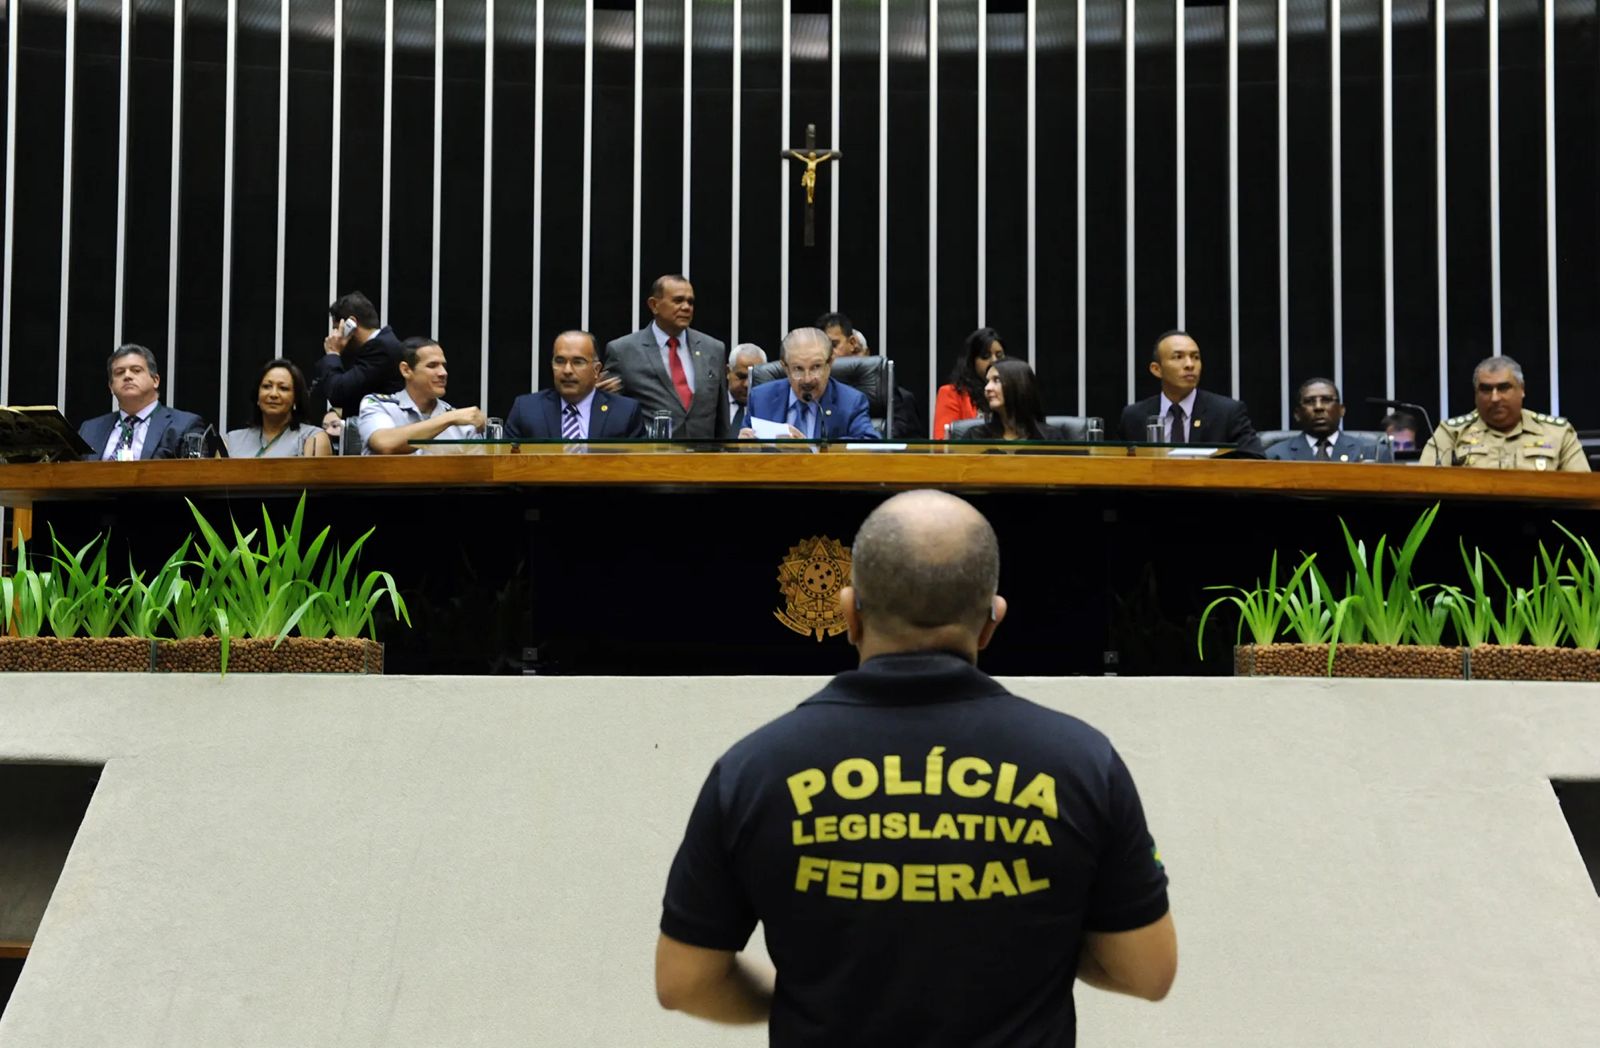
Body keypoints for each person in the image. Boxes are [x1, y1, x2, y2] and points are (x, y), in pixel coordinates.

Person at [656, 490, 1176, 1044]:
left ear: (849, 613)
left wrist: (790, 997)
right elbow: (1147, 971)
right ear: (991, 621)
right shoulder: (1083, 764)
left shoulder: (753, 770)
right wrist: (1047, 936)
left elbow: (684, 980)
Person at [600, 275, 731, 439]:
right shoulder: (623, 351)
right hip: (651, 459)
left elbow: (722, 416)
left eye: (690, 302)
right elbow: (611, 411)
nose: (686, 307)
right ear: (654, 305)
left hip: (704, 459)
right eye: (678, 301)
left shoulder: (713, 349)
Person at [1421, 354, 1589, 471]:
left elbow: (1583, 489)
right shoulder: (1451, 433)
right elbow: (1424, 485)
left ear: (1521, 390)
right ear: (1475, 394)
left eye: (1503, 388)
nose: (1494, 398)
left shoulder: (1557, 433)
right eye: (1486, 390)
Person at [1119, 330, 1265, 457]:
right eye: (1178, 357)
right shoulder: (1134, 416)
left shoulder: (1227, 412)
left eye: (1195, 357)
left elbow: (1255, 460)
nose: (1190, 364)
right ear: (1157, 369)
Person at [739, 327, 878, 441]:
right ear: (785, 367)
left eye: (816, 367)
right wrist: (742, 448)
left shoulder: (851, 401)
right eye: (798, 369)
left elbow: (870, 445)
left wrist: (817, 449)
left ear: (830, 363)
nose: (807, 379)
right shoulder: (760, 399)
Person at [78, 344, 211, 461]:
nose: (127, 376)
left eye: (136, 370)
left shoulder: (184, 425)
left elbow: (195, 477)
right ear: (111, 387)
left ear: (155, 380)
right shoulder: (90, 430)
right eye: (119, 372)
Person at [504, 331, 646, 440]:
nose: (567, 370)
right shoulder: (526, 409)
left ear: (596, 370)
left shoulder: (625, 412)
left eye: (578, 362)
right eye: (559, 361)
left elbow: (639, 469)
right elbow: (506, 466)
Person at [359, 337, 485, 455]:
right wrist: (448, 419)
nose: (443, 373)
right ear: (406, 370)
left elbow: (481, 472)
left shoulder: (462, 423)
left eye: (444, 366)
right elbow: (385, 443)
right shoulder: (379, 406)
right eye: (432, 365)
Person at [816, 311, 926, 439]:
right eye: (823, 347)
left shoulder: (891, 397)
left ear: (852, 343)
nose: (828, 353)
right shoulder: (815, 389)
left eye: (834, 345)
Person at [310, 291, 406, 433]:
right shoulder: (371, 349)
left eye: (337, 328)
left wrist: (332, 353)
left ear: (351, 324)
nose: (334, 335)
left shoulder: (380, 349)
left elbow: (338, 393)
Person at [224, 359, 334, 459]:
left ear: (296, 399)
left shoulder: (313, 438)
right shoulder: (231, 441)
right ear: (257, 396)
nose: (273, 394)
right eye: (267, 386)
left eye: (283, 388)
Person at [1265, 379, 1371, 462]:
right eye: (1310, 401)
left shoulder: (1368, 452)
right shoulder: (1275, 456)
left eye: (1326, 400)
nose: (1318, 407)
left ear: (1341, 410)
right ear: (1297, 414)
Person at [961, 358, 1064, 441]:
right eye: (987, 381)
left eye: (997, 380)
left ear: (1018, 386)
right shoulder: (974, 436)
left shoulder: (1050, 438)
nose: (987, 388)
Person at [934, 328, 1005, 438]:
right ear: (972, 361)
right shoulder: (951, 393)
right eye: (985, 356)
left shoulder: (1012, 392)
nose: (994, 361)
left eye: (999, 355)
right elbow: (942, 443)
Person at [726, 343, 767, 429]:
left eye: (754, 378)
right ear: (728, 372)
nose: (747, 384)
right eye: (741, 377)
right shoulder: (713, 404)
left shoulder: (771, 408)